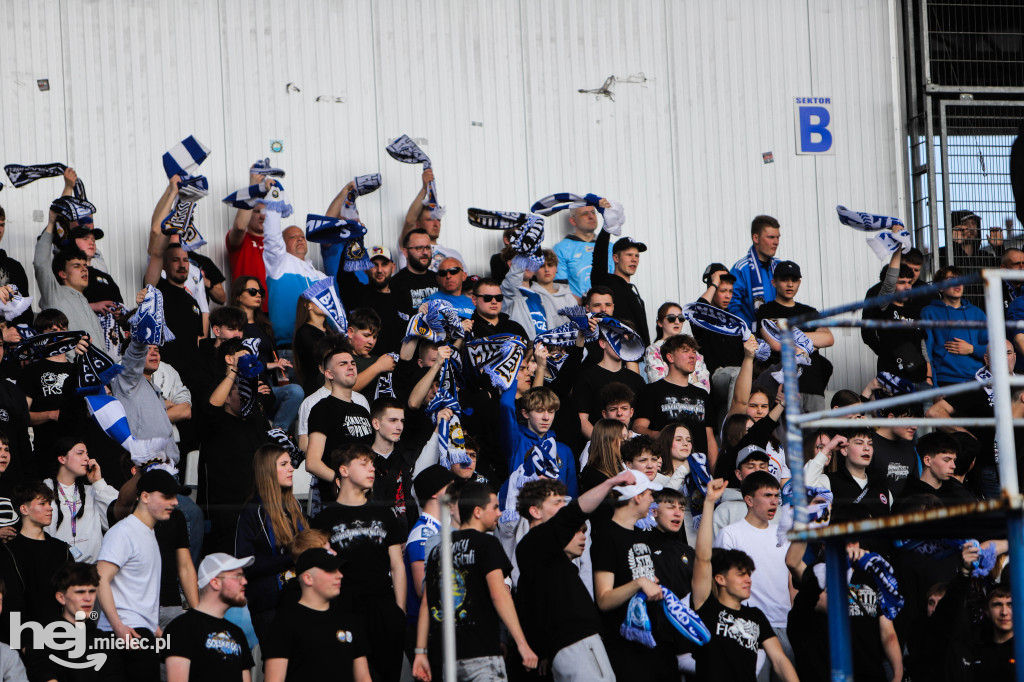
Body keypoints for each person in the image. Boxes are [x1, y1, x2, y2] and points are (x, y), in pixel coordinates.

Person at [515, 469, 637, 681]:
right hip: (577, 644)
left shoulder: (545, 555)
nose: (563, 507)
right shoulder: (533, 543)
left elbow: (529, 609)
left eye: (564, 501)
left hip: (567, 646)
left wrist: (545, 651)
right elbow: (574, 513)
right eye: (556, 503)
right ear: (535, 511)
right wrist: (612, 482)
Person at [416, 481, 538, 680]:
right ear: (478, 512)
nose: (499, 513)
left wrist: (420, 652)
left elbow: (426, 604)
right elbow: (499, 594)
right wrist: (522, 643)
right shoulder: (487, 544)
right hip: (483, 654)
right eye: (495, 507)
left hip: (448, 658)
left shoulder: (438, 551)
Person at [312, 444, 406, 682]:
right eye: (363, 464)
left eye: (372, 464)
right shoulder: (324, 518)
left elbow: (397, 565)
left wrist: (399, 611)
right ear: (343, 470)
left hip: (383, 608)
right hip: (344, 608)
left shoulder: (385, 514)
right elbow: (319, 569)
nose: (371, 469)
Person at [692, 477, 798, 681]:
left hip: (783, 624)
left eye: (777, 496)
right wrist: (709, 502)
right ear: (749, 500)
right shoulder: (731, 533)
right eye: (767, 495)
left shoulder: (783, 535)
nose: (774, 501)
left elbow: (792, 582)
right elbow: (705, 564)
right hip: (744, 625)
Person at [96, 469, 179, 682]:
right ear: (145, 496)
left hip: (140, 632)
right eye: (167, 496)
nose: (175, 502)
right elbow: (101, 578)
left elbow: (138, 590)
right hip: (125, 633)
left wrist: (156, 630)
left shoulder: (147, 533)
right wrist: (118, 626)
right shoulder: (124, 532)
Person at [591, 471, 677, 678]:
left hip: (655, 640)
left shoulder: (642, 535)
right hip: (625, 646)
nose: (653, 500)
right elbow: (603, 599)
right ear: (637, 497)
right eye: (650, 494)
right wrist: (639, 583)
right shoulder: (606, 536)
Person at [199, 340, 273, 553]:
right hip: (226, 509)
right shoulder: (216, 419)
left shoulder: (255, 417)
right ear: (227, 398)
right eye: (238, 391)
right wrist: (233, 372)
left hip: (259, 502)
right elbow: (211, 409)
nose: (244, 394)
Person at [262, 548, 372, 682]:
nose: (340, 575)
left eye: (338, 569)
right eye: (330, 570)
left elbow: (364, 678)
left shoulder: (349, 619)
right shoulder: (284, 623)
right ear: (308, 578)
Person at [234, 444, 307, 645]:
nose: (292, 468)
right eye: (284, 464)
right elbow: (245, 562)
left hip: (301, 600)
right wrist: (290, 558)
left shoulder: (295, 506)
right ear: (267, 471)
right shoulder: (252, 511)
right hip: (269, 604)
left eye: (290, 463)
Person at [163, 553, 255, 682]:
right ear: (215, 582)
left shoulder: (237, 633)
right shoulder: (181, 628)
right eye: (237, 576)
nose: (244, 581)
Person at [756, 260, 834, 412]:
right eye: (784, 280)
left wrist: (790, 335)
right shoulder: (766, 310)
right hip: (784, 390)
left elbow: (828, 338)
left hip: (813, 387)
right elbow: (776, 344)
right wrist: (812, 344)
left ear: (799, 282)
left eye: (794, 280)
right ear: (774, 282)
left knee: (816, 436)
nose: (790, 284)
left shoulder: (810, 312)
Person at [24, 562, 122, 682]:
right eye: (80, 592)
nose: (88, 598)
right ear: (61, 597)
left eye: (92, 591)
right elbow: (43, 672)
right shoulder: (43, 636)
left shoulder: (102, 639)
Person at [304, 339, 374, 506]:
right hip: (337, 501)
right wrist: (344, 482)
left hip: (366, 498)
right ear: (328, 374)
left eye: (352, 363)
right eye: (343, 364)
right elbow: (312, 463)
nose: (351, 367)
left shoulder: (362, 409)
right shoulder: (322, 408)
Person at [259, 180, 327, 347]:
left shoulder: (319, 276)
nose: (299, 239)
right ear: (283, 243)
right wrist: (274, 199)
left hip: (319, 347)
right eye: (292, 237)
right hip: (289, 347)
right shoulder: (279, 264)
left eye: (302, 236)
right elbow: (272, 238)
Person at [230, 275, 303, 430]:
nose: (258, 295)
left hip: (269, 384)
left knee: (296, 391)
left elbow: (272, 355)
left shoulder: (264, 324)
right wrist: (270, 365)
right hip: (246, 385)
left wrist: (279, 365)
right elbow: (237, 359)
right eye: (252, 291)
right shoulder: (233, 327)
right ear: (238, 296)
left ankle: (278, 432)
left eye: (260, 292)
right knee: (295, 391)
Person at [0, 482, 72, 634]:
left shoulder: (62, 549)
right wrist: (24, 643)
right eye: (42, 503)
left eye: (50, 503)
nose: (50, 508)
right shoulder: (9, 552)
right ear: (24, 509)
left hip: (65, 636)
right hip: (30, 640)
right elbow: (11, 605)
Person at [633, 334, 717, 461]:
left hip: (698, 471)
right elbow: (638, 428)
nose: (692, 355)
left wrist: (713, 473)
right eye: (685, 350)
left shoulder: (702, 394)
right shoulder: (652, 390)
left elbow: (709, 439)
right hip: (665, 470)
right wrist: (658, 435)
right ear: (670, 357)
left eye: (694, 351)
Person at [33, 209, 107, 353]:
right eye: (76, 266)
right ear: (62, 273)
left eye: (85, 265)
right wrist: (51, 223)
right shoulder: (54, 294)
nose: (84, 269)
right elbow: (40, 263)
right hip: (70, 370)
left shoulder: (84, 301)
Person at [404, 465, 455, 662]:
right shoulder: (423, 533)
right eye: (451, 486)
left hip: (439, 625)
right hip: (425, 629)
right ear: (435, 494)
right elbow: (422, 587)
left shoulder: (443, 529)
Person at [43, 438, 118, 563]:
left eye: (87, 454)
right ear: (62, 459)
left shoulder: (92, 491)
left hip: (92, 569)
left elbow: (115, 518)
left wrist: (98, 483)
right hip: (59, 569)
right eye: (80, 453)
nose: (87, 458)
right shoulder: (44, 490)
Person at [572, 321, 645, 440]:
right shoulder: (586, 376)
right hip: (599, 447)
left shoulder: (637, 380)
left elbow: (640, 422)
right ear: (602, 343)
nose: (621, 344)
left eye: (625, 341)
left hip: (630, 449)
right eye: (616, 339)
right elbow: (582, 420)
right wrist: (604, 445)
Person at [921, 265, 987, 385]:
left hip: (977, 380)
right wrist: (934, 386)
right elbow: (927, 352)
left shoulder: (977, 313)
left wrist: (972, 349)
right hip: (945, 380)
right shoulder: (929, 312)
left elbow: (994, 348)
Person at [337, 245, 407, 353]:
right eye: (374, 265)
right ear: (365, 268)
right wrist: (353, 241)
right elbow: (344, 274)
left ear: (393, 267)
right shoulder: (356, 294)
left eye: (384, 264)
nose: (379, 270)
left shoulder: (402, 298)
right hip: (366, 367)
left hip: (399, 367)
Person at [397, 168, 465, 272]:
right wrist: (425, 189)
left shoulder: (454, 255)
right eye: (430, 219)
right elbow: (409, 221)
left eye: (438, 219)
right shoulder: (410, 247)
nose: (436, 223)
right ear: (418, 224)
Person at [590, 230, 650, 346]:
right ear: (616, 258)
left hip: (640, 358)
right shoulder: (606, 283)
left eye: (637, 255)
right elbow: (598, 258)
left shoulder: (634, 293)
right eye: (629, 255)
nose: (634, 259)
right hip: (617, 355)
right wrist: (606, 230)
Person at [226, 170, 269, 311]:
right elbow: (239, 227)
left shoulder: (278, 243)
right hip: (246, 312)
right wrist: (253, 187)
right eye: (257, 212)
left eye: (265, 212)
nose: (262, 216)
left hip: (274, 313)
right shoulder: (242, 240)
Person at [825, 428, 892, 517]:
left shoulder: (881, 485)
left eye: (870, 444)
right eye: (859, 443)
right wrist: (827, 449)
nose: (867, 448)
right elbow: (805, 486)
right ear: (844, 449)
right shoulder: (828, 481)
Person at [645, 300, 711, 390]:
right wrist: (693, 380)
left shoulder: (694, 352)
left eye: (681, 318)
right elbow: (659, 384)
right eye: (671, 318)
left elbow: (705, 389)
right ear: (660, 322)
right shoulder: (654, 350)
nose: (677, 322)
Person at [729, 215, 781, 328]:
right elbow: (732, 308)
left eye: (778, 237)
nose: (776, 242)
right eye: (771, 237)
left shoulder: (779, 266)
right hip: (753, 338)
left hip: (780, 335)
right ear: (756, 238)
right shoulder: (740, 269)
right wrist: (753, 329)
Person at [554, 203, 615, 298]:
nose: (591, 216)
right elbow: (559, 286)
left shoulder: (610, 247)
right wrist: (581, 304)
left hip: (606, 308)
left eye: (593, 212)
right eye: (585, 213)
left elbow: (616, 280)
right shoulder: (561, 248)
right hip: (577, 308)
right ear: (573, 221)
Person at [869, 406, 921, 497]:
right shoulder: (867, 444)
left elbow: (915, 490)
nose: (914, 427)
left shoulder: (909, 449)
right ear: (891, 418)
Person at [898, 432, 961, 503]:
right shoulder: (908, 498)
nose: (953, 466)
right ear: (927, 460)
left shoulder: (957, 494)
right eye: (946, 460)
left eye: (954, 460)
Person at [391, 229, 440, 310]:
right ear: (406, 252)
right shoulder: (395, 284)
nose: (425, 252)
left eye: (428, 248)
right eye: (419, 248)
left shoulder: (440, 280)